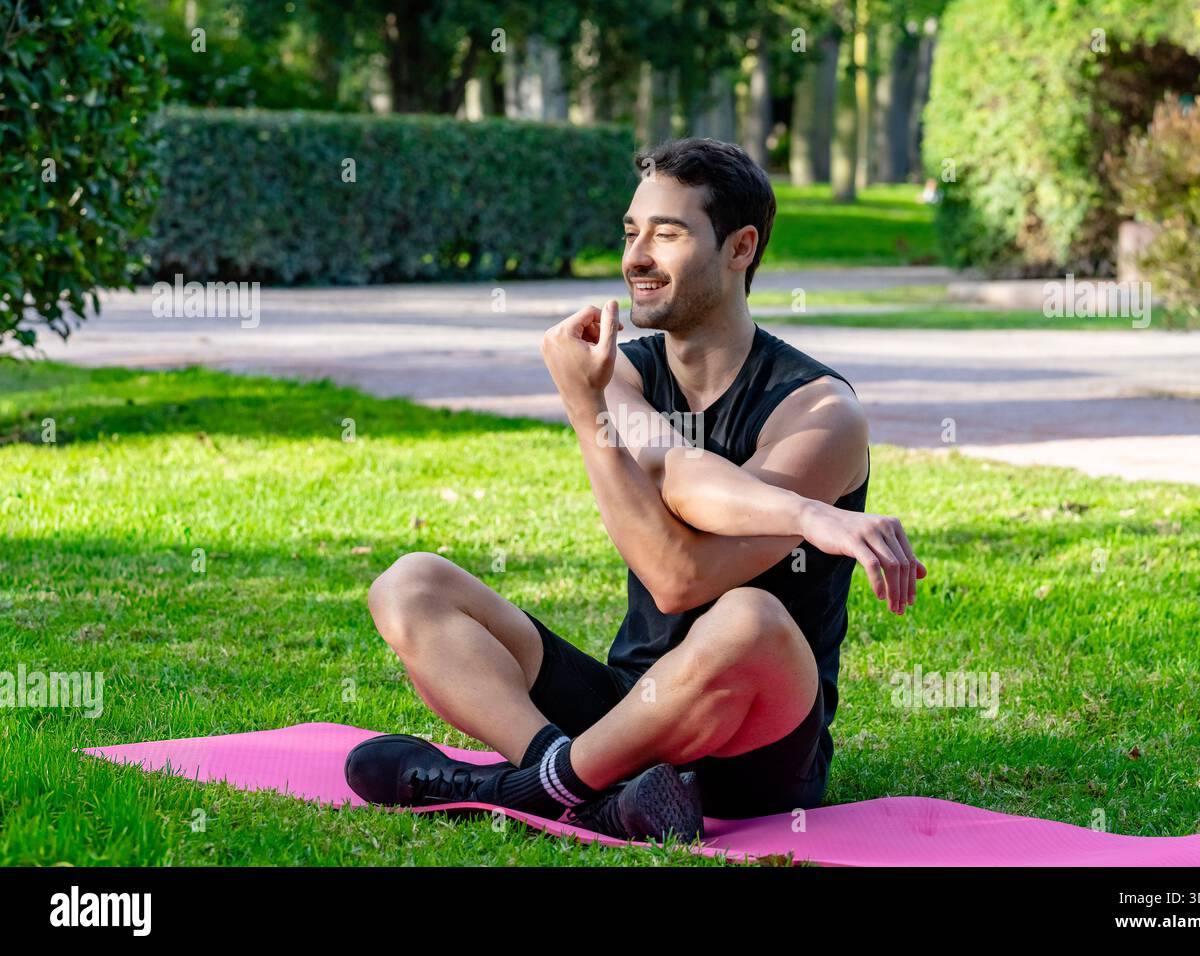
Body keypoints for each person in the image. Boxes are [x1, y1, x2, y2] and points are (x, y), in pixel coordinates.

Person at [345, 137, 925, 845]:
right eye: (631, 232)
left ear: (740, 248)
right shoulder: (620, 372)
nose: (636, 257)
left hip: (753, 752)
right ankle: (585, 789)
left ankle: (519, 789)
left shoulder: (821, 412)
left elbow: (679, 578)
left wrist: (809, 511)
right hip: (628, 708)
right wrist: (591, 411)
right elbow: (677, 471)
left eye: (668, 233)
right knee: (410, 584)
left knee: (750, 619)